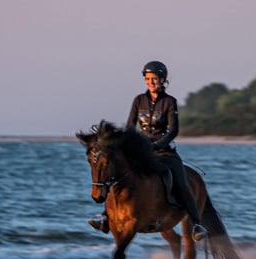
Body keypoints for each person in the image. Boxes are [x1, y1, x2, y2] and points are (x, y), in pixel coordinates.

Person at [89, 60, 208, 242]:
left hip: (165, 152)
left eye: (154, 79)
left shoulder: (170, 102)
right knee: (116, 174)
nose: (151, 82)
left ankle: (197, 224)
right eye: (148, 79)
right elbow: (130, 126)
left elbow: (173, 130)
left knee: (181, 183)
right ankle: (106, 216)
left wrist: (158, 145)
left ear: (162, 80)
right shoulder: (139, 100)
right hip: (143, 151)